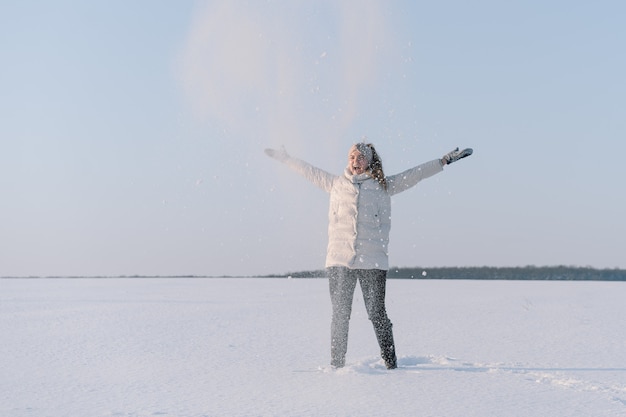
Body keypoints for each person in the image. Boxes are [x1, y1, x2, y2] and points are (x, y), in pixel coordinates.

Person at [264, 143, 472, 369]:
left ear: (370, 161)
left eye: (361, 157)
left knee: (376, 313)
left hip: (372, 261)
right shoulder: (335, 184)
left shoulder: (384, 186)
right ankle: (336, 366)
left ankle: (391, 364)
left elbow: (415, 175)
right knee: (340, 316)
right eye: (352, 156)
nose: (355, 161)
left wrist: (443, 161)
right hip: (339, 261)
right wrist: (285, 158)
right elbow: (308, 171)